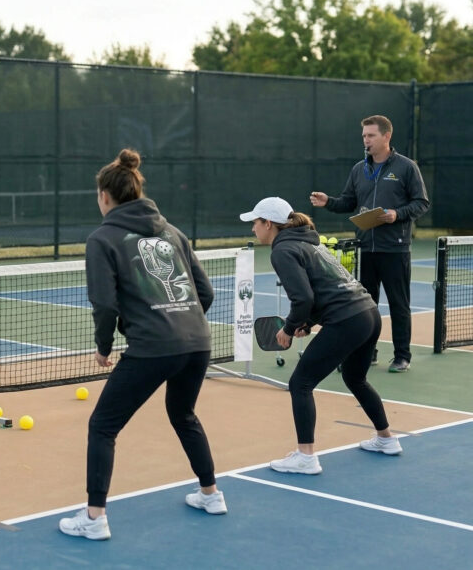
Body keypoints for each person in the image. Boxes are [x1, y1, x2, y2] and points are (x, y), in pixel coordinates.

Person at [58, 149, 226, 542]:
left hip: (154, 347)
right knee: (183, 414)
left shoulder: (102, 238)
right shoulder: (174, 232)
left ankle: (95, 518)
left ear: (105, 195)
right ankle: (211, 494)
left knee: (103, 425)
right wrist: (182, 321)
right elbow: (206, 292)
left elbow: (104, 303)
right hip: (198, 342)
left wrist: (103, 346)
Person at [240, 197, 402, 475]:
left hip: (348, 319)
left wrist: (289, 328)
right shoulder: (309, 242)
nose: (253, 228)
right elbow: (325, 288)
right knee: (355, 378)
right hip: (368, 313)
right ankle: (386, 439)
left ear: (269, 224)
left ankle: (305, 457)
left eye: (255, 222)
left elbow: (303, 298)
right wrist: (310, 322)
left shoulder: (283, 250)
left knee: (300, 383)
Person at [310, 115, 430, 373]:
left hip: (395, 249)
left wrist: (397, 214)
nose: (366, 140)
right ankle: (367, 353)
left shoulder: (407, 167)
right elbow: (348, 202)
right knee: (365, 306)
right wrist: (328, 201)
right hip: (364, 250)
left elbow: (421, 202)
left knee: (399, 305)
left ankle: (402, 356)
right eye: (364, 136)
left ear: (386, 137)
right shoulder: (358, 169)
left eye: (371, 135)